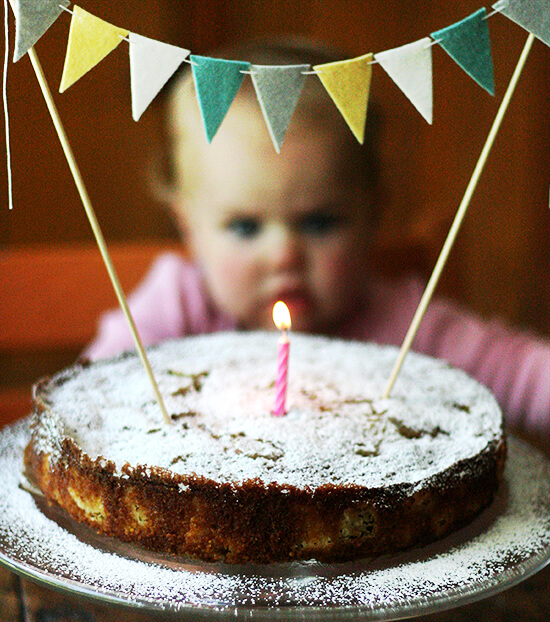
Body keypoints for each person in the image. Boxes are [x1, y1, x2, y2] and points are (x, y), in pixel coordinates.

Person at [85, 38, 550, 442]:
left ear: (373, 214)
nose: (284, 254)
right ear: (188, 227)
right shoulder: (177, 307)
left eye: (319, 223)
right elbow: (90, 398)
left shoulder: (406, 329)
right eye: (245, 227)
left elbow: (528, 376)